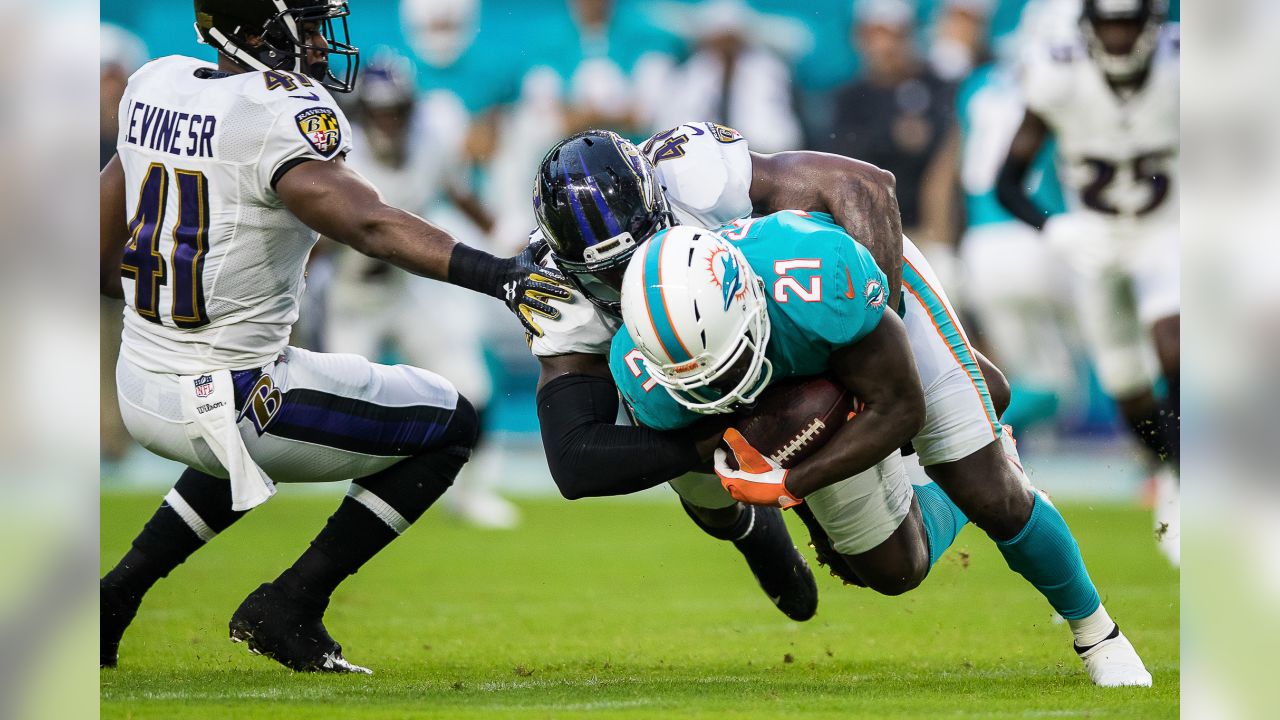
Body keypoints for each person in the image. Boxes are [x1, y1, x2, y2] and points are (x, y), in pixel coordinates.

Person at [534, 125, 1152, 686]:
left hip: (822, 310)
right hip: (702, 366)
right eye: (608, 272)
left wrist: (877, 332)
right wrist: (733, 458)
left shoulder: (777, 241)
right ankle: (778, 516)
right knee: (885, 568)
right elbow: (576, 458)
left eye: (638, 247)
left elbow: (862, 185)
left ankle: (1098, 631)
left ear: (656, 202)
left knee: (982, 483)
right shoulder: (608, 344)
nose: (631, 275)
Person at [99, 0, 569, 674]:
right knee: (450, 423)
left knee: (235, 439)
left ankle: (115, 597)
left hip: (141, 381)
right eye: (309, 26)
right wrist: (499, 275)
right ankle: (290, 604)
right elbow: (369, 224)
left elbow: (100, 257)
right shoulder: (276, 114)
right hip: (232, 391)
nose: (323, 43)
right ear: (257, 30)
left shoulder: (156, 83)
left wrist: (177, 302)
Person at [613, 221, 970, 598]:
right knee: (856, 565)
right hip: (772, 383)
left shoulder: (820, 275)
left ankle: (967, 431)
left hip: (850, 349)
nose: (725, 389)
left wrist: (790, 485)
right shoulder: (640, 379)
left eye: (731, 364)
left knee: (896, 568)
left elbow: (901, 406)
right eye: (700, 382)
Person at [995, 0, 1179, 541]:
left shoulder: (1184, 69)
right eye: (1109, 24)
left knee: (1174, 342)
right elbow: (1008, 182)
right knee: (1125, 381)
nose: (1119, 37)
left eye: (1128, 23)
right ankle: (1170, 468)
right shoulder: (1058, 75)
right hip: (1096, 239)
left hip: (1170, 229)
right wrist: (1057, 227)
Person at [331, 50, 519, 529]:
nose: (390, 120)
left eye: (397, 109)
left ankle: (472, 493)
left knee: (471, 384)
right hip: (351, 296)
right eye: (381, 110)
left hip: (408, 289)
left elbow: (460, 194)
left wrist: (510, 242)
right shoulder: (342, 154)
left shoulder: (430, 139)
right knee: (343, 406)